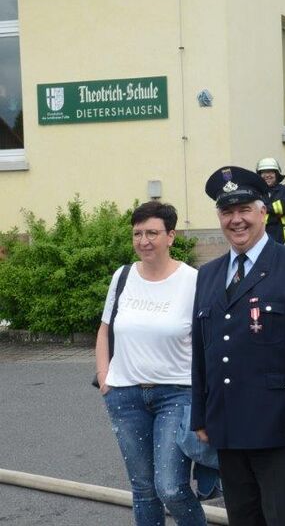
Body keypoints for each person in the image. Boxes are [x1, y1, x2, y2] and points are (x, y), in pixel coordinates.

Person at [191, 166, 285, 526]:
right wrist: (200, 415)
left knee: (284, 518)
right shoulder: (208, 275)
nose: (236, 220)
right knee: (243, 519)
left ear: (263, 211)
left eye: (244, 210)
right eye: (227, 212)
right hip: (228, 425)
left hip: (281, 426)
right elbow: (202, 352)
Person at [95, 201, 207, 526]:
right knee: (143, 488)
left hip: (177, 395)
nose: (144, 240)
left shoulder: (193, 280)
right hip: (125, 396)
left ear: (170, 236)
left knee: (170, 487)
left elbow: (206, 342)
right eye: (138, 233)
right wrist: (105, 378)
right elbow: (105, 330)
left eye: (152, 233)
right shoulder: (123, 276)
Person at [256, 157, 285, 244]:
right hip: (262, 242)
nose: (267, 175)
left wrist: (264, 209)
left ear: (277, 174)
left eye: (270, 171)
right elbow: (254, 212)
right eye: (263, 172)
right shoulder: (256, 193)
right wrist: (277, 213)